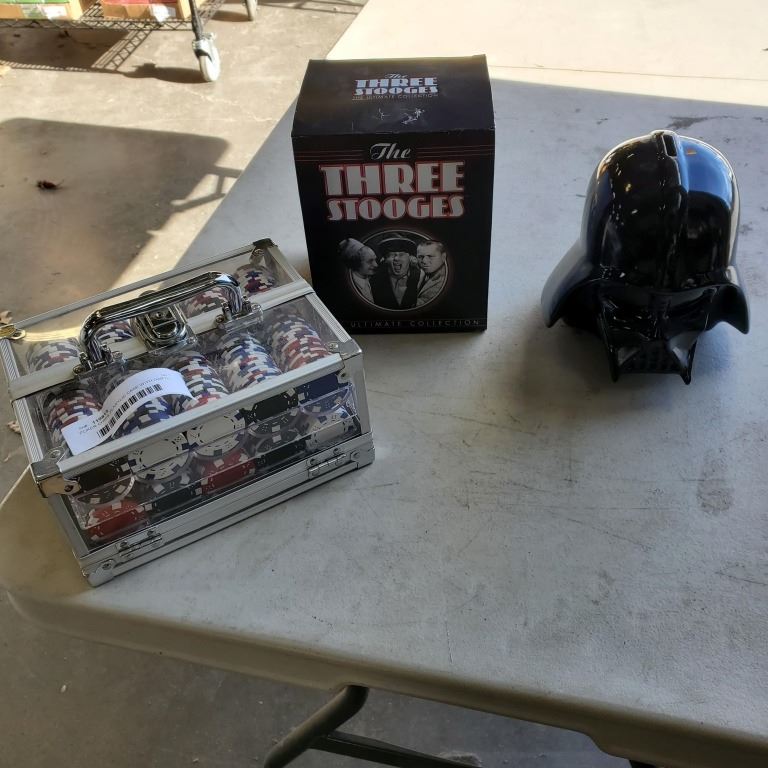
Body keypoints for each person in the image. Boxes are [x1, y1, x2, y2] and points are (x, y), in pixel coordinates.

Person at [370, 236, 422, 309]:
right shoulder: (374, 281)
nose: (396, 258)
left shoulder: (421, 278)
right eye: (392, 255)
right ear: (386, 259)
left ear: (410, 258)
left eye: (401, 254)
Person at [338, 238, 378, 303]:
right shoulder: (350, 290)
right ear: (356, 263)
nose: (376, 265)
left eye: (375, 259)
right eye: (370, 261)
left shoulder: (373, 280)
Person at [415, 240, 448, 306]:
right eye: (420, 257)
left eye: (430, 256)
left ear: (443, 257)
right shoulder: (423, 273)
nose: (424, 261)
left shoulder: (444, 280)